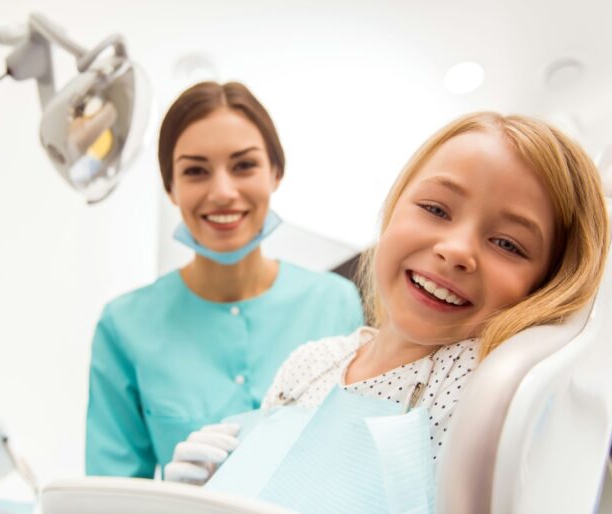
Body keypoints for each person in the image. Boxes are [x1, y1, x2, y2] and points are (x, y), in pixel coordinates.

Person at [164, 111, 609, 483]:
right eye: (436, 209)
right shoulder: (310, 364)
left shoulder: (483, 387)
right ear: (394, 207)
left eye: (508, 244)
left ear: (547, 283)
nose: (456, 250)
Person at [85, 82, 365, 477]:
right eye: (196, 171)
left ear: (276, 173)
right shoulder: (124, 326)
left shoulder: (336, 303)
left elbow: (358, 462)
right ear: (171, 188)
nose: (222, 191)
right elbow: (105, 499)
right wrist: (170, 495)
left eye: (244, 165)